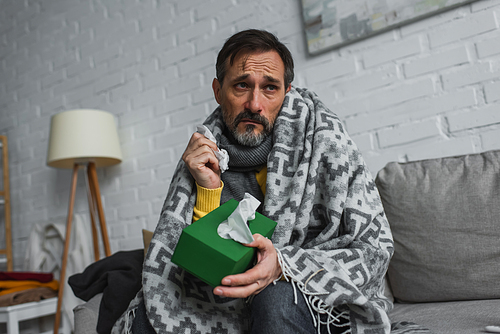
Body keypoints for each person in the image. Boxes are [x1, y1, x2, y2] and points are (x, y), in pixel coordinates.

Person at [112, 29, 394, 334]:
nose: (255, 104)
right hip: (226, 297)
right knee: (147, 316)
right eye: (242, 85)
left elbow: (374, 249)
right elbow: (198, 265)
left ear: (286, 92)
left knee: (276, 298)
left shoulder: (328, 144)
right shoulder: (203, 154)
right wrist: (208, 189)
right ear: (218, 91)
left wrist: (283, 265)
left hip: (316, 298)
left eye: (270, 87)